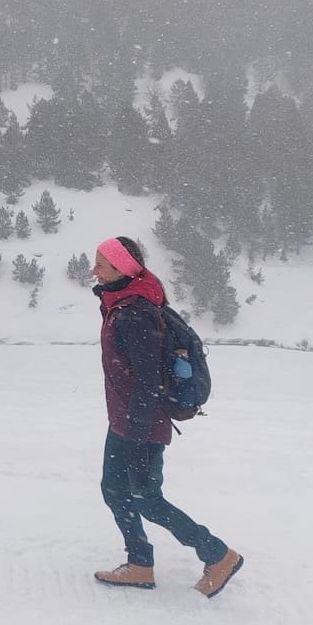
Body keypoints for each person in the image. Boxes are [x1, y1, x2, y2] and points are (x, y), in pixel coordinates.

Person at [90, 235, 243, 598]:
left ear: (121, 268)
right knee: (114, 491)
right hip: (124, 421)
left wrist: (136, 434)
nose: (93, 269)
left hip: (141, 424)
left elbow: (146, 382)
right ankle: (140, 563)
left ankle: (218, 555)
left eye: (101, 263)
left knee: (146, 498)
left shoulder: (136, 312)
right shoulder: (120, 304)